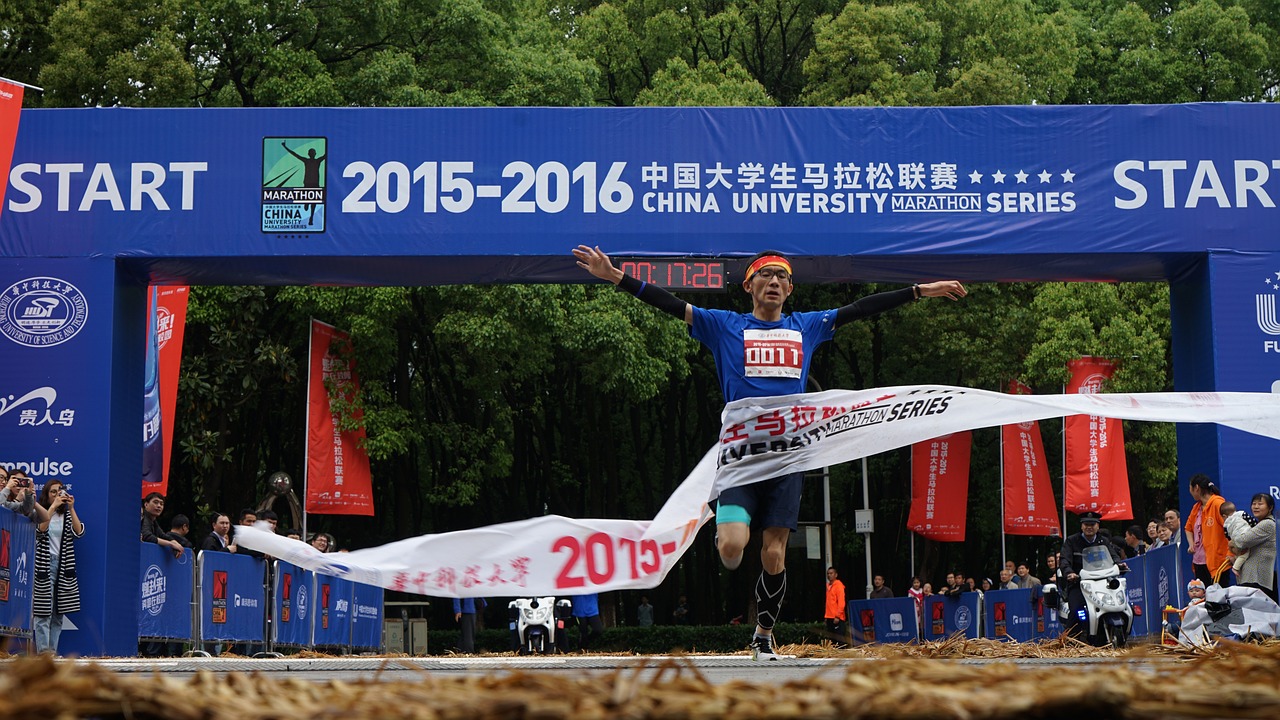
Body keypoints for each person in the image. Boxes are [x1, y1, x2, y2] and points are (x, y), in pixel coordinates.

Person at [574, 245, 965, 660]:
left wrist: (920, 291)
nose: (774, 282)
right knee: (730, 550)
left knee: (775, 554)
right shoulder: (723, 326)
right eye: (765, 276)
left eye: (781, 277)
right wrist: (617, 277)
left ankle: (763, 633)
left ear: (791, 288)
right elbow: (670, 303)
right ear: (749, 286)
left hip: (787, 460)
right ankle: (724, 525)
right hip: (740, 460)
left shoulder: (807, 326)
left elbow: (860, 308)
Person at [33, 479, 84, 654]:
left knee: (59, 611)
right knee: (42, 611)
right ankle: (43, 653)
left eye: (60, 491)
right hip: (43, 565)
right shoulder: (41, 511)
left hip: (63, 566)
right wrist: (53, 507)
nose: (57, 495)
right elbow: (39, 530)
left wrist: (71, 508)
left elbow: (79, 532)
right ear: (46, 495)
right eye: (53, 492)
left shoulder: (67, 515)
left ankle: (52, 652)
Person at [1058, 511, 1127, 638]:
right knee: (1076, 611)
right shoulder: (1072, 541)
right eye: (1086, 524)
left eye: (1092, 524)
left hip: (1103, 582)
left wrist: (1119, 564)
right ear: (1081, 526)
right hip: (1079, 583)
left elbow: (1113, 556)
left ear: (1098, 526)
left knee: (1125, 606)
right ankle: (1070, 640)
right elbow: (1064, 560)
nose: (1089, 527)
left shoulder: (1103, 540)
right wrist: (1069, 573)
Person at [1227, 493, 1276, 602]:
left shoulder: (1267, 524)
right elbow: (1251, 552)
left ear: (1270, 507)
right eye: (1254, 504)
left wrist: (1232, 540)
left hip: (1257, 579)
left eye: (1260, 504)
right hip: (1252, 578)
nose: (1256, 506)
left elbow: (1242, 541)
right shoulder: (1259, 524)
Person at [1184, 474, 1229, 586]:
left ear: (1196, 488)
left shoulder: (1218, 504)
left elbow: (1230, 528)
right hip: (1198, 561)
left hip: (1217, 562)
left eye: (1190, 488)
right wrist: (1191, 544)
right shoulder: (1196, 507)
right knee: (1202, 597)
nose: (1190, 491)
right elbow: (1188, 528)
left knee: (1217, 598)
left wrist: (1231, 553)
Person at [1219, 500, 1255, 579]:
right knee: (1245, 554)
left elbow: (1228, 537)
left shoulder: (1225, 525)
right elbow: (1252, 521)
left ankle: (1235, 562)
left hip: (1236, 541)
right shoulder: (1242, 514)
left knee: (1240, 554)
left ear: (1224, 516)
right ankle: (1235, 568)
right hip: (1246, 537)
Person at [141, 492, 184, 558]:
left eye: (161, 504)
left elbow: (163, 535)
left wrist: (175, 543)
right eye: (155, 502)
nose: (159, 506)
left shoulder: (153, 521)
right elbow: (147, 536)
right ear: (146, 504)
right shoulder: (143, 517)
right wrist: (171, 544)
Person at [824, 567, 847, 647]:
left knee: (839, 640)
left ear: (836, 575)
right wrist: (826, 616)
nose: (829, 575)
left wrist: (837, 615)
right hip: (830, 616)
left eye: (831, 573)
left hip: (837, 617)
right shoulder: (828, 586)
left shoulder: (838, 586)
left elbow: (841, 602)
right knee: (832, 640)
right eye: (828, 573)